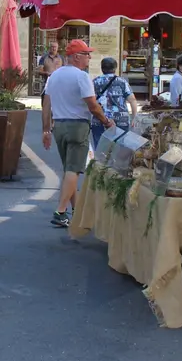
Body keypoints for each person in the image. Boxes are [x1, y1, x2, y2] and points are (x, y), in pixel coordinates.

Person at [42, 40, 114, 228]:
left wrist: (45, 129)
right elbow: (92, 105)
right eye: (86, 54)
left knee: (69, 170)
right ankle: (60, 211)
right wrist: (106, 121)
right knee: (74, 170)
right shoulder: (82, 77)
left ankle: (77, 211)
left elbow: (46, 105)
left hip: (59, 126)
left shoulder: (54, 76)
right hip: (78, 125)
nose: (89, 57)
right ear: (76, 57)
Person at [91, 57, 137, 151]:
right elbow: (132, 100)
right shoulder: (122, 82)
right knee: (120, 149)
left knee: (100, 149)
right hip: (120, 120)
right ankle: (117, 165)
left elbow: (90, 101)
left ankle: (100, 165)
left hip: (100, 119)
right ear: (115, 68)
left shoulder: (95, 82)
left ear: (102, 68)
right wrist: (133, 117)